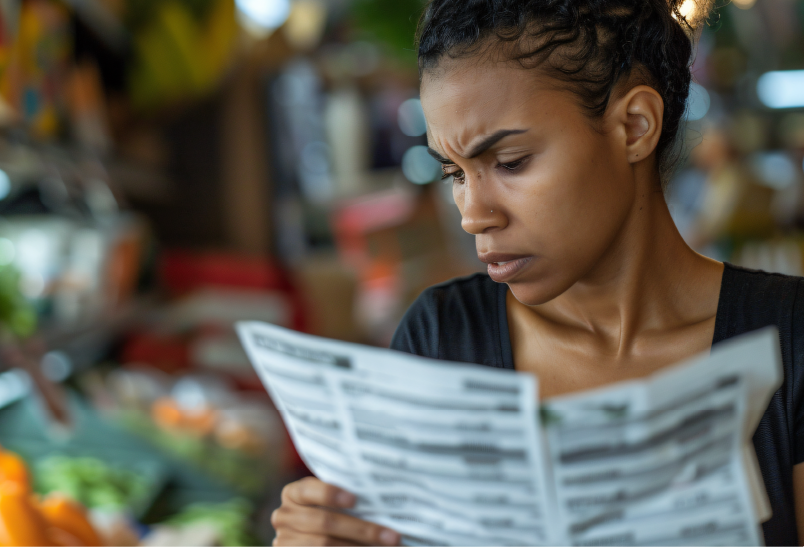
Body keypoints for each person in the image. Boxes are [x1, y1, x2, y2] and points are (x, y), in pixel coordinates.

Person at [270, 0, 804, 545]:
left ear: (634, 126)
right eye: (455, 172)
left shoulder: (793, 344)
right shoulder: (442, 341)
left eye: (510, 163)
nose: (473, 214)